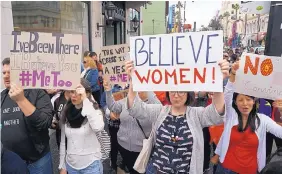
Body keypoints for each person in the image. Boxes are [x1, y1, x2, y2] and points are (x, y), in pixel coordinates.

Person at [124, 59, 229, 174]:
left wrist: (219, 82)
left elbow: (216, 114)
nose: (176, 95)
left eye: (181, 91)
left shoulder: (196, 114)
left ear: (188, 93)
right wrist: (133, 80)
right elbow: (135, 108)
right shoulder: (160, 111)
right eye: (173, 91)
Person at [215, 61, 282, 174]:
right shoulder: (231, 115)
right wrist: (233, 74)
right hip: (225, 169)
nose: (245, 103)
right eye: (240, 100)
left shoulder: (262, 120)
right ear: (235, 103)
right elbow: (228, 93)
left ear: (254, 102)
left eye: (248, 99)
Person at [1, 57, 53, 173]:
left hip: (37, 162)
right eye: (4, 72)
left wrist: (21, 100)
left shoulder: (37, 92)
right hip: (11, 165)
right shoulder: (2, 97)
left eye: (10, 72)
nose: (5, 75)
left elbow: (45, 122)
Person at [104, 80, 161, 174]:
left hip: (141, 150)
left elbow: (159, 112)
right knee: (129, 169)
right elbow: (113, 107)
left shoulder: (153, 104)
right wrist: (108, 91)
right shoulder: (127, 100)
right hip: (123, 146)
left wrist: (147, 90)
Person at [59, 79, 104, 174]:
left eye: (78, 92)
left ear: (87, 93)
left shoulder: (94, 111)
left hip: (91, 165)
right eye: (71, 91)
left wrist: (86, 101)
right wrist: (62, 165)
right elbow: (63, 141)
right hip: (71, 165)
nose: (73, 95)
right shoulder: (66, 111)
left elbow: (98, 127)